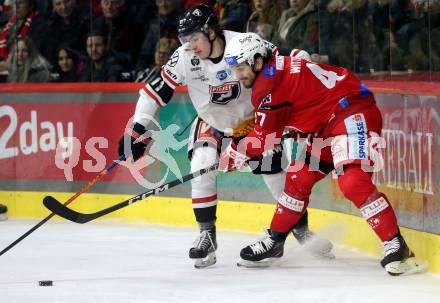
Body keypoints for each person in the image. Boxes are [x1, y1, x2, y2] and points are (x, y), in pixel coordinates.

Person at [118, 4, 333, 269]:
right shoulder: (185, 56)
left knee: (274, 173)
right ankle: (206, 235)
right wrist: (137, 130)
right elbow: (154, 91)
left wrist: (306, 59)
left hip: (253, 120)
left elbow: (281, 55)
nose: (190, 45)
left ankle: (299, 229)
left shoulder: (239, 43)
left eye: (194, 38)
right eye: (186, 39)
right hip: (212, 121)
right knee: (201, 164)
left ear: (211, 32)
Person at [219, 32, 426, 275]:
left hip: (350, 114)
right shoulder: (274, 62)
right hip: (326, 125)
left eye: (241, 68)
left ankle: (397, 246)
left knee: (353, 181)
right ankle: (275, 241)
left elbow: (264, 139)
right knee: (299, 179)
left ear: (256, 61)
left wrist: (236, 151)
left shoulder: (267, 86)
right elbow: (300, 89)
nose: (238, 75)